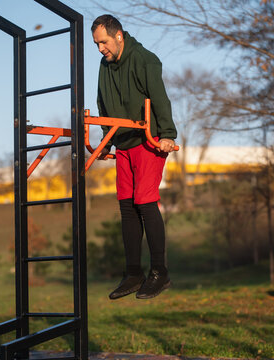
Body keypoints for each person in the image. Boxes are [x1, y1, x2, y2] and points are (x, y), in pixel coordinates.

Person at [91, 14, 178, 300]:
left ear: (118, 36)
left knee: (145, 200)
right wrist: (105, 140)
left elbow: (159, 96)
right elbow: (102, 103)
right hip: (123, 143)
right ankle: (133, 273)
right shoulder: (105, 66)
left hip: (148, 141)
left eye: (103, 42)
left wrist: (167, 133)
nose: (100, 49)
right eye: (96, 44)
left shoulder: (144, 59)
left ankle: (159, 272)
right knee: (127, 205)